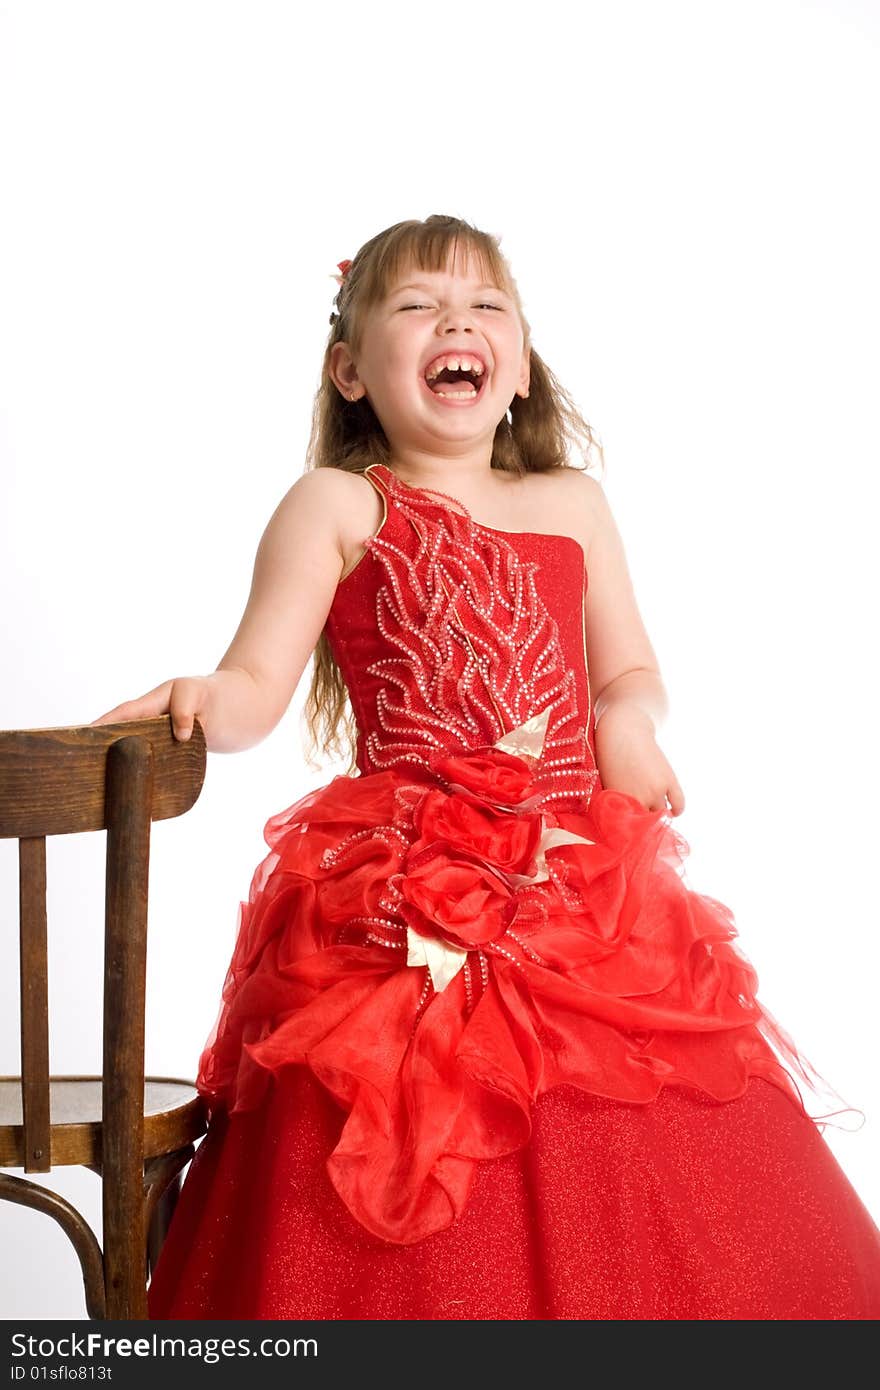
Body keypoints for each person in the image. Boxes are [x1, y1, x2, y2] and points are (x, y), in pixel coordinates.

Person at [92, 214, 880, 1320]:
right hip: (401, 888)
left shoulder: (572, 503)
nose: (456, 321)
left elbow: (630, 672)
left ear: (515, 368)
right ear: (350, 369)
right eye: (416, 304)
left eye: (484, 305)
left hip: (576, 875)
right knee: (397, 1162)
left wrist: (628, 726)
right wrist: (198, 700)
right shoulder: (336, 504)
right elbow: (252, 688)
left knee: (633, 1147)